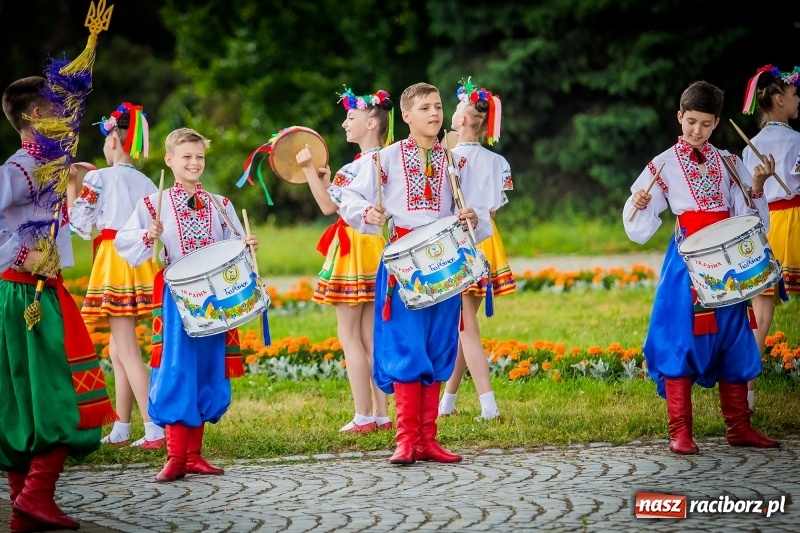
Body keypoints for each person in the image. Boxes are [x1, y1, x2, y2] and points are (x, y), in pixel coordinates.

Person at [622, 80, 780, 455]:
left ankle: (739, 427)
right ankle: (680, 432)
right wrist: (640, 202)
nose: (697, 131)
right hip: (687, 266)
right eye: (691, 121)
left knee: (734, 337)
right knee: (681, 337)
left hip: (729, 264)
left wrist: (757, 185)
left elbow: (749, 219)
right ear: (679, 116)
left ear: (716, 122)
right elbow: (636, 226)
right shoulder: (661, 165)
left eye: (706, 124)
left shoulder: (729, 161)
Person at [339, 82, 492, 465]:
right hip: (404, 263)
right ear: (406, 116)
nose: (434, 114)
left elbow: (478, 209)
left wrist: (473, 217)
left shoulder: (455, 161)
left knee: (438, 343)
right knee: (407, 345)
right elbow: (348, 196)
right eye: (424, 108)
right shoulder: (385, 159)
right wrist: (368, 214)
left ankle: (428, 439)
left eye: (438, 107)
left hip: (445, 259)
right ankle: (407, 439)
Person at [1, 77, 117, 530]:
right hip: (23, 292)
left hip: (41, 290)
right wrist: (19, 252)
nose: (66, 115)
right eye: (55, 108)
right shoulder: (18, 170)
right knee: (55, 397)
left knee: (29, 398)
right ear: (34, 118)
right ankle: (33, 495)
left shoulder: (48, 164)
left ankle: (25, 505)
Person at [115, 127, 259, 482]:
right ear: (170, 161)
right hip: (177, 298)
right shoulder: (153, 205)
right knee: (178, 369)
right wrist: (147, 235)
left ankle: (194, 455)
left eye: (199, 157)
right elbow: (125, 242)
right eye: (187, 157)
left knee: (208, 369)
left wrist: (245, 245)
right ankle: (176, 455)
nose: (194, 163)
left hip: (215, 299)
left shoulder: (220, 204)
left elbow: (231, 250)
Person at [295, 87, 393, 433]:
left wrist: (307, 168)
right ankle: (381, 414)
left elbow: (327, 208)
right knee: (370, 335)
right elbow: (336, 198)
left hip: (352, 246)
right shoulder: (382, 161)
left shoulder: (355, 169)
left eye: (350, 118)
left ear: (370, 122)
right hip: (375, 246)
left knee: (349, 335)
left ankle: (363, 415)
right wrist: (325, 180)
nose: (343, 123)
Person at [68, 102, 164, 449]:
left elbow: (80, 225)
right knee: (120, 347)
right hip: (140, 259)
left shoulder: (97, 177)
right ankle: (122, 426)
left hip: (114, 257)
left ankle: (155, 426)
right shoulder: (147, 180)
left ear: (112, 141)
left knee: (124, 347)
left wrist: (70, 186)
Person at [439, 78, 515, 421]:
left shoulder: (447, 159)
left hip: (458, 243)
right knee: (463, 324)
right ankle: (448, 402)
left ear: (464, 121)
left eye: (455, 109)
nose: (451, 114)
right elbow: (493, 211)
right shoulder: (498, 163)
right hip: (485, 239)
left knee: (466, 326)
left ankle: (488, 405)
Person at [740, 65, 800, 412]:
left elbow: (750, 194)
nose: (798, 101)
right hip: (795, 220)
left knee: (761, 316)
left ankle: (746, 393)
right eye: (794, 96)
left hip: (766, 224)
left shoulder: (752, 147)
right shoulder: (797, 142)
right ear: (779, 99)